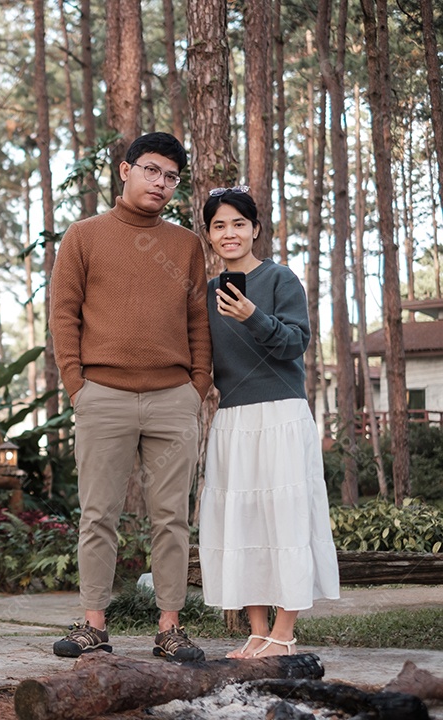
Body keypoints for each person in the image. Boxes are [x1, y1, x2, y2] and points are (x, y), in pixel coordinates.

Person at [50, 132, 212, 662]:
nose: (160, 183)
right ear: (125, 170)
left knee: (172, 517)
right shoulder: (84, 235)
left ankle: (169, 627)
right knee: (98, 514)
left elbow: (197, 321)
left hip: (173, 398)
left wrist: (196, 388)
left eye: (170, 176)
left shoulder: (187, 246)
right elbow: (64, 315)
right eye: (151, 170)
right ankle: (93, 624)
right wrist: (78, 387)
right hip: (103, 396)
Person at [197, 186, 340, 658]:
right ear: (210, 235)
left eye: (239, 223)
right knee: (244, 522)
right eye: (219, 225)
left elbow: (295, 343)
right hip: (233, 420)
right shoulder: (207, 292)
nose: (230, 232)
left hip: (280, 413)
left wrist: (253, 316)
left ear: (255, 229)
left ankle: (284, 631)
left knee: (285, 519)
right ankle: (257, 631)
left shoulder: (280, 279)